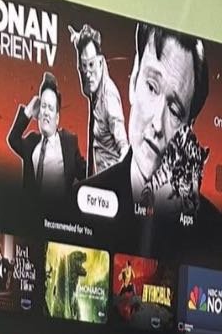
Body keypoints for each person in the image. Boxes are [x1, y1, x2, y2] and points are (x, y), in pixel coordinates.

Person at [84, 21, 213, 248]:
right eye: (152, 87)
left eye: (175, 111)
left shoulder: (215, 233)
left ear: (188, 129)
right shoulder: (78, 202)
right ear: (134, 79)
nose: (157, 124)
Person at [7, 72, 85, 213]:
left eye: (50, 108)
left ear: (57, 118)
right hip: (31, 218)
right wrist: (29, 110)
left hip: (59, 219)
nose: (46, 112)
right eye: (43, 106)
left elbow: (87, 174)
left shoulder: (69, 142)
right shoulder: (31, 142)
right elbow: (13, 139)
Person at [71, 23, 127, 177]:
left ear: (101, 62)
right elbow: (82, 72)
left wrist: (119, 177)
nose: (88, 73)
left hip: (111, 180)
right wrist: (78, 42)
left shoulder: (108, 97)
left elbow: (124, 146)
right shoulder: (93, 86)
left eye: (91, 65)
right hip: (97, 175)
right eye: (84, 66)